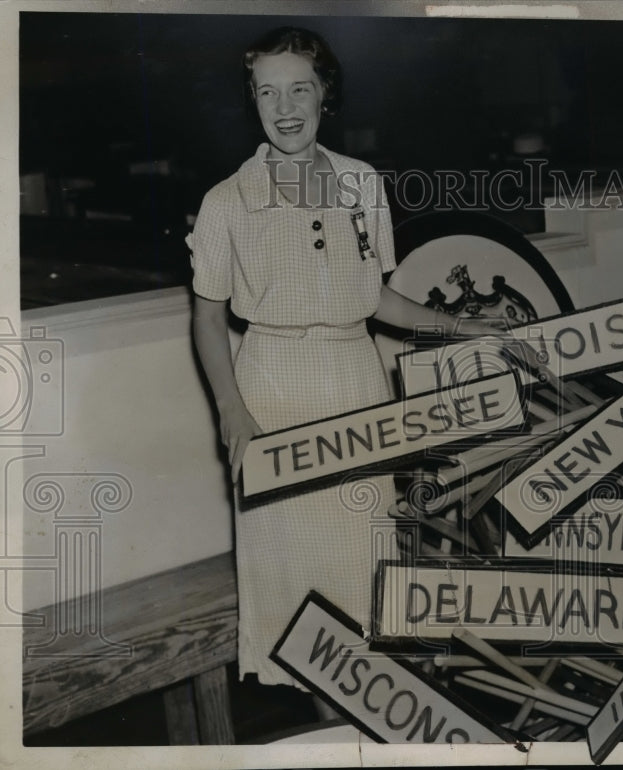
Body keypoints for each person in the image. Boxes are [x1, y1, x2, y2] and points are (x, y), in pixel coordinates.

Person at [189, 26, 498, 690]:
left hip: (356, 387)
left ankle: (359, 729)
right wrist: (233, 413)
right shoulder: (225, 202)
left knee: (364, 575)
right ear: (253, 101)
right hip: (272, 397)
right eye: (267, 92)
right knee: (294, 588)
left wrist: (461, 330)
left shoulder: (361, 183)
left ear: (325, 93)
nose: (285, 106)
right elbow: (208, 318)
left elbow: (378, 298)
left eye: (299, 87)